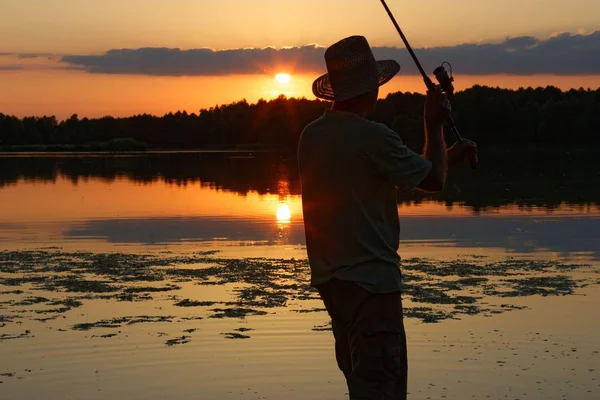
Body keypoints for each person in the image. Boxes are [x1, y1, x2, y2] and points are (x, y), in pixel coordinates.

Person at [297, 35, 478, 399]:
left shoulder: (311, 137)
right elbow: (433, 180)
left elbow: (378, 180)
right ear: (371, 89)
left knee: (361, 390)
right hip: (374, 294)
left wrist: (447, 156)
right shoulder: (374, 137)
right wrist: (434, 124)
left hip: (336, 293)